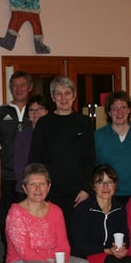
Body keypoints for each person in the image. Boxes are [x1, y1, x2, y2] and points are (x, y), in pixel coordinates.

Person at [28, 75, 95, 238]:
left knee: (76, 238)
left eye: (67, 93)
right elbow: (34, 160)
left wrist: (87, 189)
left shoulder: (85, 123)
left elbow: (90, 158)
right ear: (53, 97)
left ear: (74, 96)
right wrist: (39, 190)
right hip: (49, 193)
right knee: (51, 237)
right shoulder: (44, 123)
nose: (63, 98)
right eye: (58, 94)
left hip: (78, 195)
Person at [0, 71, 33, 237]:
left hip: (30, 179)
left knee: (27, 223)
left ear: (30, 87)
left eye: (22, 85)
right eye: (15, 85)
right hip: (4, 178)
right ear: (10, 88)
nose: (18, 89)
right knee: (3, 223)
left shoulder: (37, 111)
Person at [94, 91, 131, 205]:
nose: (119, 112)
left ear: (129, 110)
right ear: (109, 112)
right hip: (108, 196)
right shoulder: (98, 136)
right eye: (114, 108)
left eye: (123, 107)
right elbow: (94, 167)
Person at [14, 95, 49, 197]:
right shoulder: (22, 136)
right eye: (32, 110)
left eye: (40, 109)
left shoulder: (54, 134)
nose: (35, 113)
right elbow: (19, 165)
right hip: (28, 188)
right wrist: (27, 186)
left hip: (50, 188)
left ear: (47, 112)